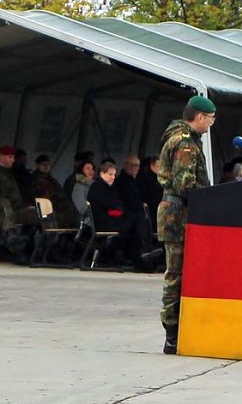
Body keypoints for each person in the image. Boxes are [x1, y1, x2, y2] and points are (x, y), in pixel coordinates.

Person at [157, 95, 214, 355]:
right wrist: (210, 198)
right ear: (199, 117)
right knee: (176, 274)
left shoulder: (183, 139)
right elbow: (185, 185)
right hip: (178, 215)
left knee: (180, 274)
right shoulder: (185, 143)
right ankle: (172, 332)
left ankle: (179, 329)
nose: (211, 124)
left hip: (180, 213)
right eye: (210, 119)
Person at [87, 161, 158, 268]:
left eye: (114, 175)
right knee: (137, 218)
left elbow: (118, 203)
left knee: (137, 221)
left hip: (112, 219)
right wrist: (120, 208)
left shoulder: (111, 187)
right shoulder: (97, 187)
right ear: (102, 174)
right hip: (104, 222)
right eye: (110, 174)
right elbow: (112, 204)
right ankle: (143, 251)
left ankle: (142, 253)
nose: (113, 177)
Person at [0, 145, 38, 227]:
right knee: (38, 215)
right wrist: (22, 207)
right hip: (6, 212)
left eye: (13, 158)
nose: (13, 160)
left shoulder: (7, 174)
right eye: (10, 157)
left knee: (42, 214)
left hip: (14, 208)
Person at [31, 154, 78, 228]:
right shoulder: (34, 180)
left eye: (48, 164)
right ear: (37, 166)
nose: (46, 167)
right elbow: (43, 196)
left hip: (59, 206)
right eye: (43, 164)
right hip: (48, 208)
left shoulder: (52, 180)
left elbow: (61, 193)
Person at [137, 156, 163, 229]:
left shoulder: (160, 180)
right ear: (152, 166)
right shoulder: (145, 179)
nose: (160, 169)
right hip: (151, 211)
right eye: (158, 166)